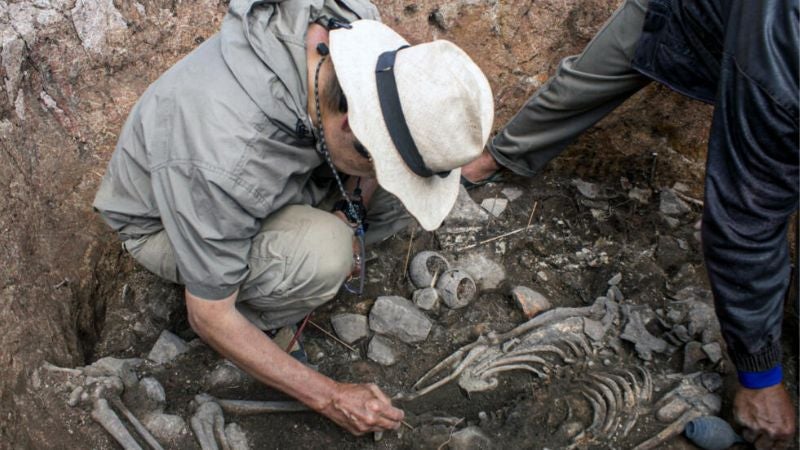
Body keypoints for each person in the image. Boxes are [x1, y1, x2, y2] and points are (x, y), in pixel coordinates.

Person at [93, 0, 493, 436]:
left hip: (272, 179)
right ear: (350, 129)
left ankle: (314, 236)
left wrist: (352, 207)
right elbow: (208, 315)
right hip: (164, 222)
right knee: (324, 254)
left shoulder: (354, 31)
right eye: (378, 162)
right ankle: (265, 315)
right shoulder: (225, 156)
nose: (382, 176)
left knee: (397, 200)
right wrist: (332, 396)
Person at [462, 0, 798, 447]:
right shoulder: (784, 48)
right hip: (694, 16)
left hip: (760, 52)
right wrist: (761, 376)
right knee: (584, 82)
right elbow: (745, 218)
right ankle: (490, 161)